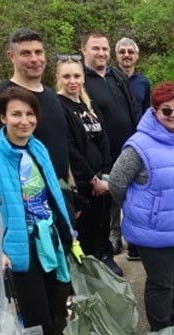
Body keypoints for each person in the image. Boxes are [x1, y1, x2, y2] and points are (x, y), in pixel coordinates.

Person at [0, 87, 80, 335]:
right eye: (16, 114)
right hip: (18, 251)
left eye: (30, 114)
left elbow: (52, 191)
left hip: (48, 241)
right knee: (34, 320)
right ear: (3, 117)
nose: (24, 121)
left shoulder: (37, 147)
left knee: (56, 307)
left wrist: (68, 232)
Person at [108, 83, 174, 331]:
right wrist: (141, 209)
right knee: (161, 283)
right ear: (154, 112)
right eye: (166, 111)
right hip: (156, 232)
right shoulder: (139, 146)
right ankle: (161, 332)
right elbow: (116, 183)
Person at [0, 28, 69, 183]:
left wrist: (71, 188)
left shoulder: (52, 95)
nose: (34, 59)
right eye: (25, 53)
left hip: (59, 190)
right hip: (27, 194)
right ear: (11, 56)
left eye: (38, 52)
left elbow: (62, 146)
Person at [81, 31, 139, 262]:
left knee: (133, 199)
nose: (101, 53)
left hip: (129, 150)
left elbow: (133, 108)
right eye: (96, 48)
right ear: (83, 50)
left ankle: (134, 243)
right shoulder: (81, 80)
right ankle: (104, 254)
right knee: (104, 208)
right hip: (101, 155)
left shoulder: (116, 76)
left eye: (105, 48)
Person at [56, 55, 117, 271]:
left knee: (102, 223)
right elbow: (69, 148)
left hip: (101, 179)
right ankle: (88, 269)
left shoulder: (88, 104)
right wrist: (92, 179)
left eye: (76, 76)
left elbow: (103, 138)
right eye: (67, 76)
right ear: (58, 78)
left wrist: (106, 174)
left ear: (83, 78)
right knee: (85, 229)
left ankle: (105, 258)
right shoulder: (58, 106)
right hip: (82, 183)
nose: (72, 81)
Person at [115, 37, 151, 119]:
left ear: (137, 55)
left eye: (130, 52)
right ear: (116, 55)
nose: (126, 55)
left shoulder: (144, 82)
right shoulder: (109, 79)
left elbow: (146, 111)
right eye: (122, 52)